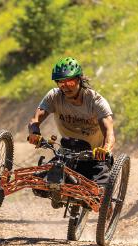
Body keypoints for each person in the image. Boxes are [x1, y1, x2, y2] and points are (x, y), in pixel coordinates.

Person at [26, 57, 116, 186]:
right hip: (66, 154)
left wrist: (106, 149)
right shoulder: (54, 96)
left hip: (94, 157)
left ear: (79, 80)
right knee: (39, 184)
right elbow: (35, 120)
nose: (66, 87)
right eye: (61, 83)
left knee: (99, 195)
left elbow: (109, 132)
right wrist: (34, 133)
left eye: (70, 83)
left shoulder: (96, 101)